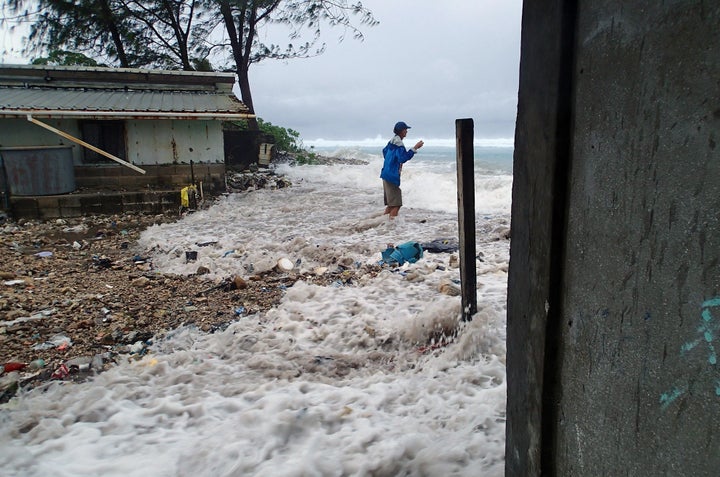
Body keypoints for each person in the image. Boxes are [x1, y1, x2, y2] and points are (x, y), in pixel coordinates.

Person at [380, 121, 424, 218]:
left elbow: (384, 152)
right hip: (391, 176)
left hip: (385, 173)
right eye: (405, 130)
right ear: (401, 131)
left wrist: (392, 161)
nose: (407, 132)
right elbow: (402, 158)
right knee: (396, 205)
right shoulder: (399, 144)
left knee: (391, 205)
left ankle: (383, 224)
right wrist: (415, 148)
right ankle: (390, 227)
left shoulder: (391, 141)